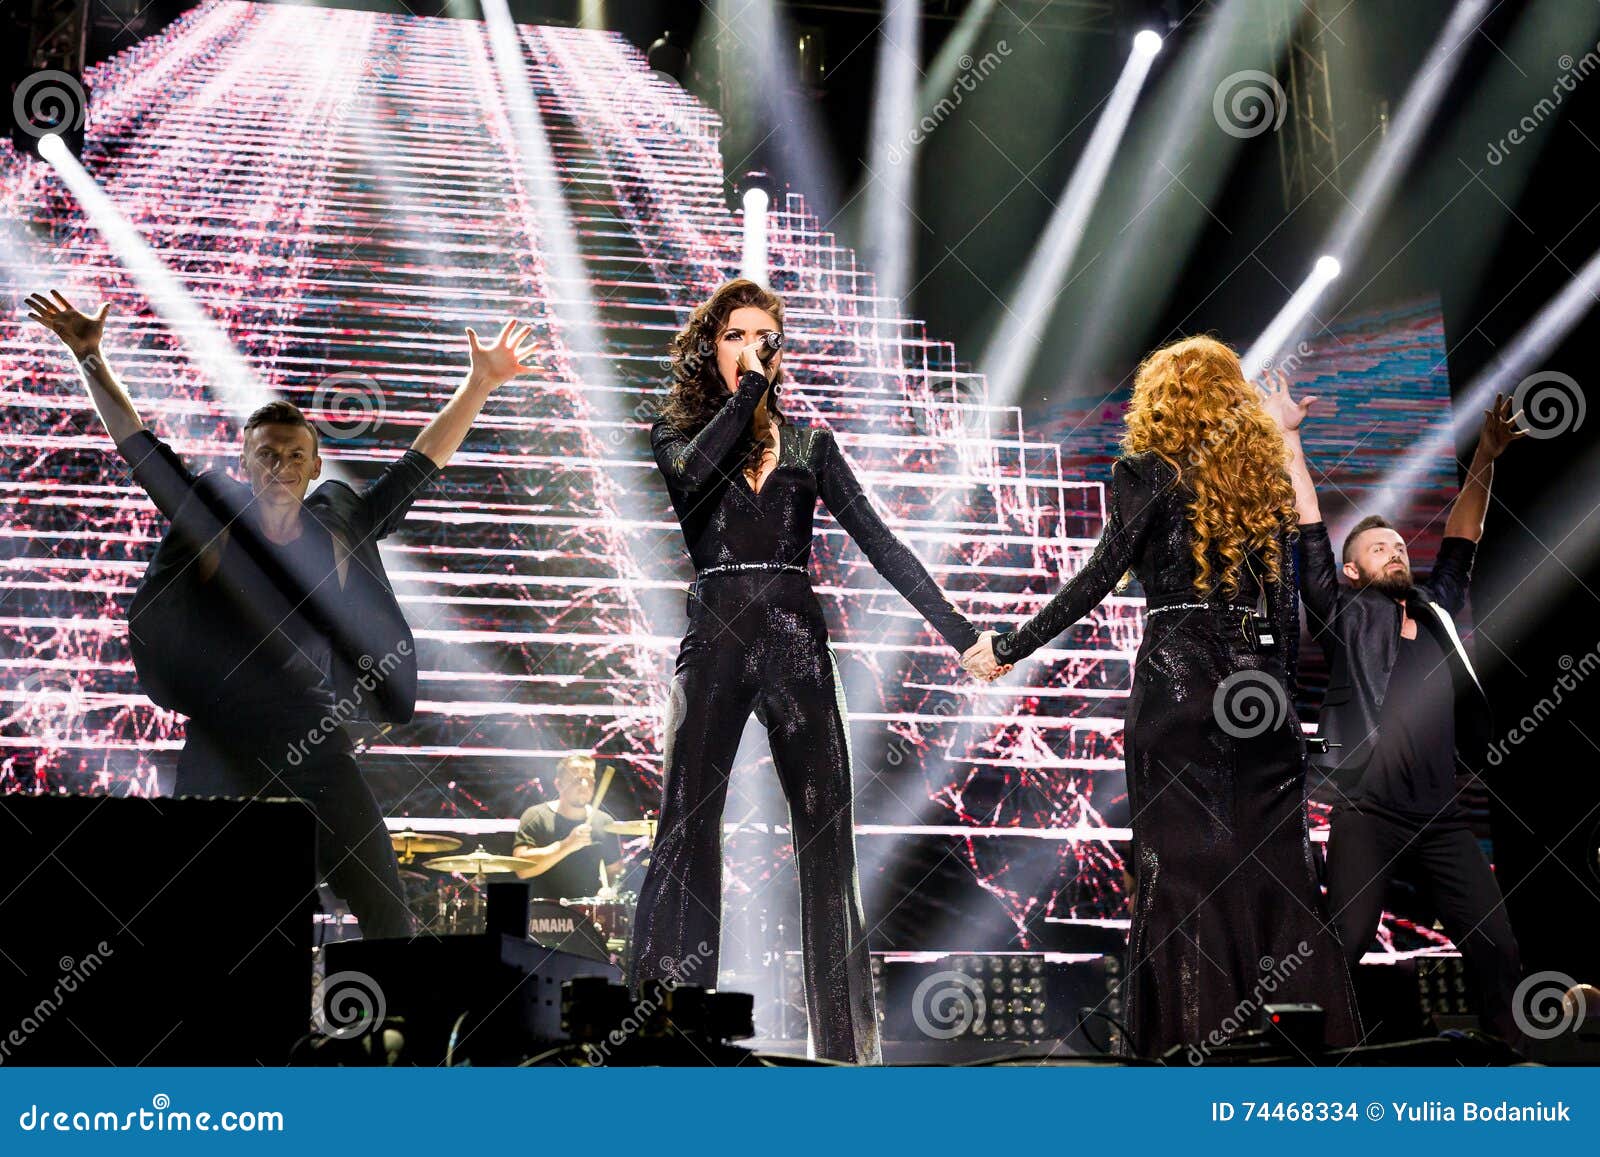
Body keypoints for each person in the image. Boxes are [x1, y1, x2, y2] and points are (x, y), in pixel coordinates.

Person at [26, 289, 538, 939]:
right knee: (215, 918)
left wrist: (480, 382)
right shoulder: (217, 527)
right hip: (223, 745)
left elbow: (420, 464)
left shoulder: (338, 531)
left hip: (314, 746)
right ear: (245, 460)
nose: (282, 465)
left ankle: (391, 1035)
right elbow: (142, 450)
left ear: (315, 464)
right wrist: (92, 359)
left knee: (385, 908)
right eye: (267, 452)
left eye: (296, 454)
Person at [963, 337, 1360, 1059]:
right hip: (1259, 693)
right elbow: (1293, 613)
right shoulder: (1262, 479)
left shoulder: (1145, 474)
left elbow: (1094, 580)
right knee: (1277, 869)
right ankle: (1304, 1052)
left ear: (1161, 404)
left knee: (1180, 874)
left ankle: (1190, 1051)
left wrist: (1007, 646)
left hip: (1178, 692)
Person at [631, 278, 979, 1065]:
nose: (752, 347)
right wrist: (748, 392)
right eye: (735, 336)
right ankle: (663, 1042)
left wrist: (959, 633)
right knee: (687, 826)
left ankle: (849, 1054)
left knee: (827, 841)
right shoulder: (675, 436)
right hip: (714, 641)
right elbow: (692, 478)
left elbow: (884, 544)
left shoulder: (811, 445)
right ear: (709, 350)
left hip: (795, 643)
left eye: (764, 336)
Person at [1266, 373, 1525, 1042]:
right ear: (1354, 571)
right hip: (1368, 809)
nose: (1395, 550)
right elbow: (1309, 533)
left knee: (1496, 942)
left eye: (1400, 545)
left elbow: (1464, 537)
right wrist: (1292, 440)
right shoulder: (1344, 611)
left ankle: (1509, 1053)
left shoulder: (1434, 607)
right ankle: (1326, 1059)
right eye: (1379, 548)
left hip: (1440, 814)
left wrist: (1486, 458)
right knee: (1346, 940)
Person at [511, 754, 623, 900]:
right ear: (559, 784)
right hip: (543, 914)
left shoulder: (604, 822)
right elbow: (521, 869)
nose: (584, 785)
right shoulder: (536, 816)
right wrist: (567, 845)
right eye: (576, 780)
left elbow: (615, 871)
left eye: (589, 780)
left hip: (588, 915)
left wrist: (611, 889)